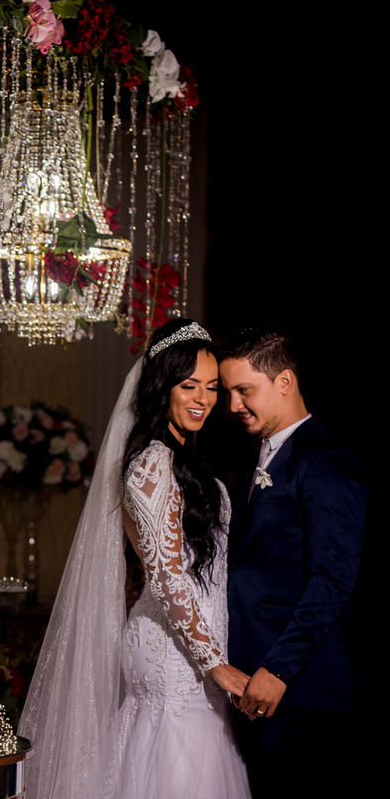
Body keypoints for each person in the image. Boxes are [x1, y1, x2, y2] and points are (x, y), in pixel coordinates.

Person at [20, 318, 250, 799]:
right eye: (189, 385)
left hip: (199, 641)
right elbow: (167, 577)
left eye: (212, 387)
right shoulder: (151, 463)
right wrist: (215, 664)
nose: (204, 399)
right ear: (162, 386)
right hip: (172, 649)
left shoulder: (186, 458)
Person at [218, 328, 366, 797]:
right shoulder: (257, 456)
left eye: (244, 390)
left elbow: (331, 582)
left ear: (284, 381)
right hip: (250, 683)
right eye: (229, 392)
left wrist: (279, 669)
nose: (233, 405)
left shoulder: (327, 463)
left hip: (299, 689)